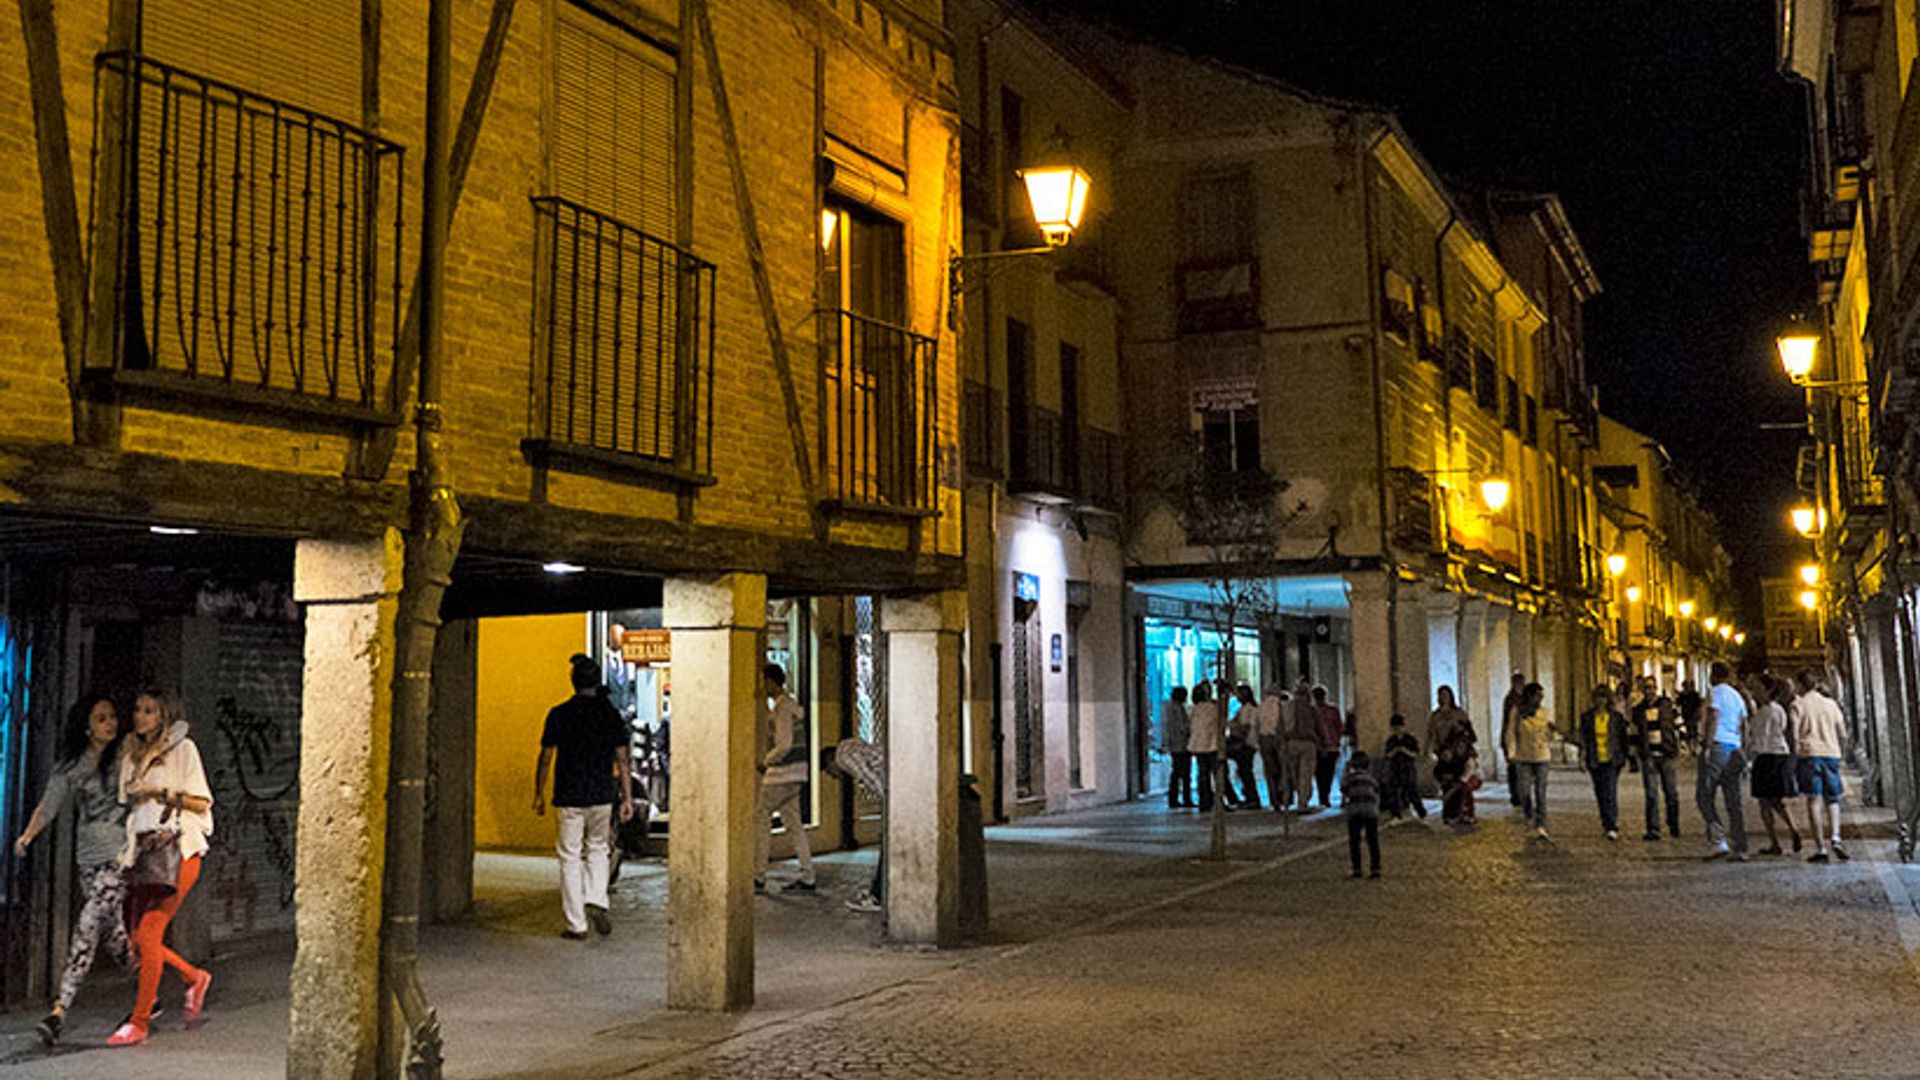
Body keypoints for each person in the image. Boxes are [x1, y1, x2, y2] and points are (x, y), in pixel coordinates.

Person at [13, 695, 130, 1045]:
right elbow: (49, 805)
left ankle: (58, 1011)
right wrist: (28, 836)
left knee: (87, 926)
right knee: (115, 937)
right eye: (101, 718)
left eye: (111, 717)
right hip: (88, 861)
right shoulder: (71, 767)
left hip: (120, 858)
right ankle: (151, 986)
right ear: (86, 726)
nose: (110, 723)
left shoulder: (125, 755)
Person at [109, 691, 214, 1047]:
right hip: (143, 853)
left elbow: (201, 802)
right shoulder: (131, 752)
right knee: (138, 937)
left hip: (178, 850)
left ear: (164, 715)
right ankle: (193, 977)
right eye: (137, 709)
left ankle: (139, 1022)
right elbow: (125, 800)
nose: (141, 717)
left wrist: (160, 790)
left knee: (150, 933)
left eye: (149, 711)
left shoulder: (184, 750)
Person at [534, 655, 635, 938]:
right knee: (599, 848)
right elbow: (623, 759)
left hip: (569, 795)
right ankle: (597, 898)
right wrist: (627, 797)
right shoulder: (609, 714)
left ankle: (576, 924)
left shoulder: (559, 714)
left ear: (573, 681)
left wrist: (538, 793)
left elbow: (545, 757)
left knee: (570, 856)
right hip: (602, 794)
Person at [755, 663, 816, 892]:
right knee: (794, 824)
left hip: (780, 776)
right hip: (797, 774)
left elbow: (784, 744)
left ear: (771, 681)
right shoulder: (793, 707)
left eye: (764, 681)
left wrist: (766, 761)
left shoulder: (781, 709)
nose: (762, 686)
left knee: (761, 819)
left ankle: (758, 875)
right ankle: (808, 873)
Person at [822, 738, 887, 912]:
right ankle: (878, 891)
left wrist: (889, 802)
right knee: (887, 844)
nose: (834, 777)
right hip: (898, 771)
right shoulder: (848, 744)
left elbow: (869, 777)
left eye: (829, 772)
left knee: (888, 845)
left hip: (897, 781)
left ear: (830, 761)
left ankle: (878, 897)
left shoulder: (844, 757)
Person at [1793, 668, 1850, 863]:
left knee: (1814, 800)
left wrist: (1795, 756)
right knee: (1833, 799)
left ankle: (1821, 848)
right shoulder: (1831, 704)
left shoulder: (1798, 705)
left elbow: (1794, 735)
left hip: (1809, 755)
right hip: (1831, 754)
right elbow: (1843, 733)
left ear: (1800, 685)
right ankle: (1836, 837)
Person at [1697, 661, 1750, 861]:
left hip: (1718, 746)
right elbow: (1744, 723)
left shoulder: (1715, 692)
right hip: (1734, 748)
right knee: (1733, 800)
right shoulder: (1737, 696)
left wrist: (1708, 746)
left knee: (1704, 795)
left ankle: (1719, 841)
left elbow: (1714, 716)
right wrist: (1743, 748)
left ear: (1713, 675)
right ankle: (1740, 845)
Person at [1749, 675, 1804, 856]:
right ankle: (1793, 828)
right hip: (1780, 754)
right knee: (1778, 801)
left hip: (1765, 757)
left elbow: (1759, 738)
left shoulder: (1763, 712)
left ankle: (1774, 842)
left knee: (1764, 803)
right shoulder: (1780, 709)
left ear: (1766, 690)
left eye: (1757, 687)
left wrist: (1751, 757)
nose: (1754, 691)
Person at [1628, 675, 1682, 840]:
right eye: (1646, 688)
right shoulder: (1638, 710)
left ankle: (1673, 825)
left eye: (1651, 687)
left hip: (1666, 754)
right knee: (1651, 794)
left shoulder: (1667, 705)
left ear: (1656, 688)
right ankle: (1653, 828)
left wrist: (1680, 743)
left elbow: (1678, 723)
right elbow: (1634, 732)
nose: (1649, 691)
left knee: (1671, 792)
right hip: (1648, 755)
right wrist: (1634, 753)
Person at [1578, 685, 1630, 840]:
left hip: (1612, 759)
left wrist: (1626, 756)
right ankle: (1605, 819)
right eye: (1598, 697)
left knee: (1610, 791)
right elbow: (1584, 739)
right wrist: (1582, 757)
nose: (1601, 701)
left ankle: (1612, 824)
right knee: (1600, 792)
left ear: (1608, 699)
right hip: (1595, 759)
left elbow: (1623, 738)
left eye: (1604, 697)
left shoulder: (1616, 718)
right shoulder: (1587, 718)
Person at [1510, 682, 1553, 842]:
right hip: (1523, 756)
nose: (1540, 698)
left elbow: (1549, 731)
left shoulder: (1545, 712)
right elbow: (1511, 732)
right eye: (1537, 695)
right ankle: (1529, 817)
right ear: (1529, 695)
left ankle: (1541, 824)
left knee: (1540, 792)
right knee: (1524, 791)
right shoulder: (1517, 712)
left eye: (1541, 696)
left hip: (1541, 756)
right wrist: (1511, 752)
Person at [1429, 686, 1477, 825]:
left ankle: (1462, 812)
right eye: (1440, 695)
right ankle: (1449, 813)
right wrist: (1432, 750)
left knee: (1459, 782)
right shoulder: (1435, 716)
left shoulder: (1459, 714)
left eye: (1445, 695)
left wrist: (1459, 744)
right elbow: (1431, 734)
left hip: (1459, 752)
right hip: (1442, 752)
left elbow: (1469, 732)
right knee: (1446, 783)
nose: (1443, 698)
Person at [1342, 751, 1382, 879]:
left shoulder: (1351, 778)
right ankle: (1375, 868)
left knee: (1354, 841)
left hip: (1355, 811)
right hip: (1370, 811)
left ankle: (1357, 869)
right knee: (1372, 840)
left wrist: (1346, 771)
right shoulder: (1371, 779)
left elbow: (1344, 789)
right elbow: (1377, 791)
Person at [1186, 683, 1223, 813]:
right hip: (1212, 744)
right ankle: (1217, 800)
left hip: (1198, 745)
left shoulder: (1193, 709)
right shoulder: (1213, 708)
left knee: (1202, 774)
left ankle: (1204, 801)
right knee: (1217, 773)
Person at [1284, 679, 1320, 812]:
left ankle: (1300, 798)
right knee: (1306, 774)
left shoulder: (1287, 708)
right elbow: (1318, 727)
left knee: (1295, 774)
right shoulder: (1311, 709)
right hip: (1308, 743)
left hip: (1291, 742)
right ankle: (1303, 802)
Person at [1381, 714, 1425, 820]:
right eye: (1394, 728)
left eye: (1399, 727)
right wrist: (1395, 751)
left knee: (1412, 791)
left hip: (1408, 769)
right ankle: (1396, 814)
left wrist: (1405, 751)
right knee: (1394, 792)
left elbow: (1416, 754)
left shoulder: (1410, 739)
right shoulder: (1391, 740)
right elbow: (1387, 755)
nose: (1397, 730)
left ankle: (1421, 812)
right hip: (1395, 769)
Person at [1224, 684, 1261, 810]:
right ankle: (1250, 797)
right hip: (1248, 743)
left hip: (1245, 744)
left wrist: (1234, 729)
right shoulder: (1246, 708)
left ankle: (1252, 798)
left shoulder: (1248, 709)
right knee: (1244, 772)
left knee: (1246, 772)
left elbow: (1244, 727)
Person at [1160, 686, 1193, 809]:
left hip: (1176, 745)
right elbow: (1182, 727)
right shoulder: (1178, 709)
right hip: (1182, 745)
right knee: (1183, 773)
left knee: (1177, 773)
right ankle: (1184, 798)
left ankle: (1175, 798)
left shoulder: (1169, 708)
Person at [1256, 684, 1287, 813]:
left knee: (1270, 771)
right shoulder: (1281, 705)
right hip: (1278, 739)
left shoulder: (1261, 706)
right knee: (1282, 769)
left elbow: (1256, 724)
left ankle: (1273, 799)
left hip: (1264, 738)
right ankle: (1283, 797)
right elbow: (1283, 723)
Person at [1313, 686, 1343, 809]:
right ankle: (1325, 796)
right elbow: (1340, 727)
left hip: (1318, 748)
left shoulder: (1313, 712)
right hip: (1332, 747)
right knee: (1328, 773)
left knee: (1320, 774)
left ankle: (1322, 796)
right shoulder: (1333, 710)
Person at [1501, 672, 1527, 806]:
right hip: (1512, 737)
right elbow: (1507, 722)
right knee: (1513, 769)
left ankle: (1521, 793)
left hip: (1523, 738)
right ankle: (1516, 794)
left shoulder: (1523, 698)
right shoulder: (1511, 699)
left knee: (1521, 769)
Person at [1675, 680, 1704, 754]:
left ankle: (1692, 747)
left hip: (1690, 715)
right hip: (1688, 716)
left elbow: (1678, 703)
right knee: (1691, 731)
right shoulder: (1689, 695)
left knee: (1692, 731)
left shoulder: (1691, 694)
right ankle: (1692, 747)